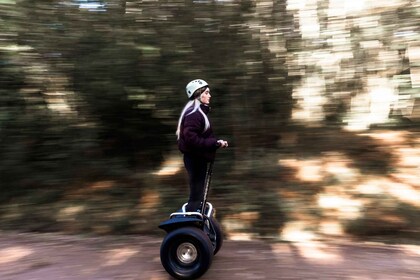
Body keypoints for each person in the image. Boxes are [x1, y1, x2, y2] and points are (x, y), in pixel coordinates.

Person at [176, 79, 228, 212]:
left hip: (197, 159)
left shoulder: (199, 113)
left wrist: (217, 143)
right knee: (196, 196)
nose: (209, 95)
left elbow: (201, 137)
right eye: (206, 92)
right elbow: (191, 140)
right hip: (194, 160)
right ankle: (190, 224)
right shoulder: (194, 115)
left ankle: (195, 224)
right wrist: (214, 143)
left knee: (198, 195)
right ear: (198, 95)